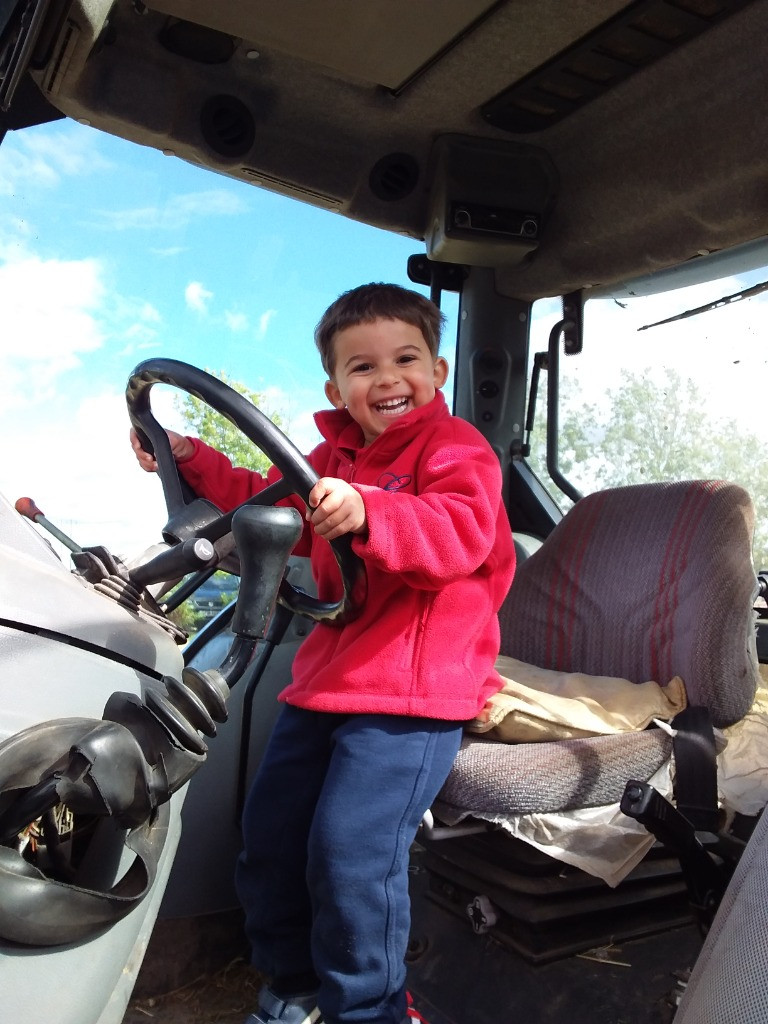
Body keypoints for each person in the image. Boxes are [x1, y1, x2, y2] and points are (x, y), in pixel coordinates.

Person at [131, 282, 516, 1024]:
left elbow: (460, 532)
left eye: (406, 358)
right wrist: (186, 456)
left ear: (437, 373)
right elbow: (269, 499)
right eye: (362, 367)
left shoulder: (457, 450)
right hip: (328, 685)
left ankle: (369, 1010)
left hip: (413, 696)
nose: (387, 378)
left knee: (350, 858)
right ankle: (293, 987)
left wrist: (373, 508)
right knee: (269, 839)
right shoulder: (332, 453)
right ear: (335, 386)